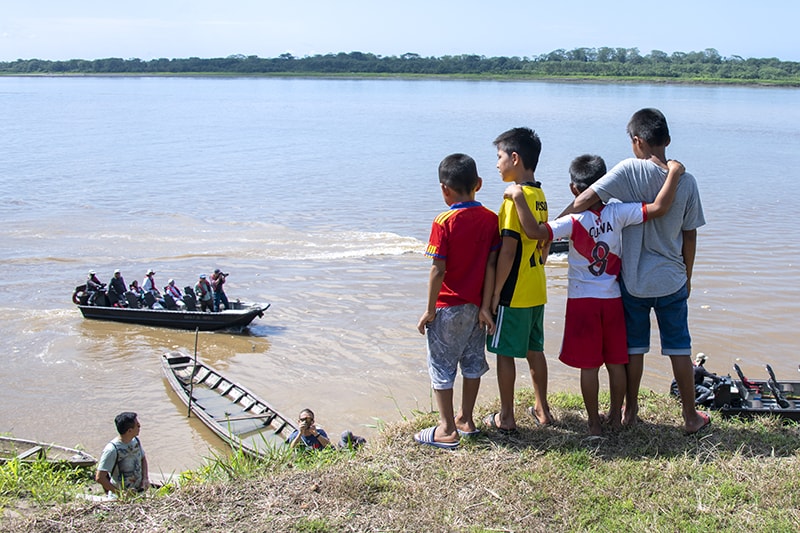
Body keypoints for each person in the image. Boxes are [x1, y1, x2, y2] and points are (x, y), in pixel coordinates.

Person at [505, 155, 684, 435]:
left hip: (582, 303)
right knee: (615, 363)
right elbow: (660, 207)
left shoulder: (572, 221)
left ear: (574, 189)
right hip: (612, 299)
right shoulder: (619, 212)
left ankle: (594, 424)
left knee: (588, 367)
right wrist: (673, 172)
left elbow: (533, 231)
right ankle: (615, 416)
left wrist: (518, 197)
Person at [565, 108, 708, 434]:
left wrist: (553, 228)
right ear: (667, 140)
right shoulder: (687, 181)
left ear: (636, 141)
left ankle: (629, 411)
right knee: (680, 347)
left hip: (632, 280)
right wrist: (688, 276)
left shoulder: (628, 170)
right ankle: (690, 417)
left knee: (634, 347)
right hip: (671, 278)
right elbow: (690, 234)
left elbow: (585, 199)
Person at [413, 153, 500, 449]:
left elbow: (438, 269)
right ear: (478, 183)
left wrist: (428, 310)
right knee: (473, 363)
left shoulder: (443, 221)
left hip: (448, 306)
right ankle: (467, 419)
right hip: (477, 308)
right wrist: (487, 307)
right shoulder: (491, 219)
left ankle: (447, 428)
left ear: (444, 189)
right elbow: (491, 265)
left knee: (441, 365)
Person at [482, 127, 552, 434]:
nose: (496, 164)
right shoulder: (539, 195)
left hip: (515, 292)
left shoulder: (513, 200)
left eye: (499, 157)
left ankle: (506, 416)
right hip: (537, 289)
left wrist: (495, 294)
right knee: (535, 350)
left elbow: (508, 252)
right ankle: (543, 409)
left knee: (505, 353)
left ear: (514, 158)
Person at [96, 412, 149, 496]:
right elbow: (100, 477)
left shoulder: (135, 441)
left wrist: (145, 478)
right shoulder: (112, 449)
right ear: (129, 431)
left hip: (139, 494)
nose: (140, 427)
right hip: (120, 500)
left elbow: (142, 458)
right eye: (137, 425)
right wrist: (120, 493)